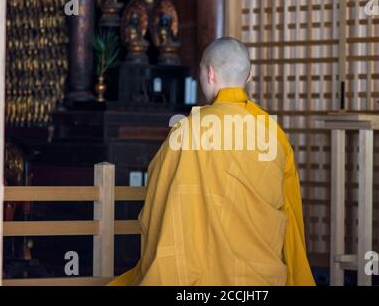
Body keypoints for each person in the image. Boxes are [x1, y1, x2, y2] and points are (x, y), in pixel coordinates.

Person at [109, 37, 315, 286]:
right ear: (249, 76)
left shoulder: (187, 130)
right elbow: (290, 213)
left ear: (209, 74)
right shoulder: (274, 134)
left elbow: (158, 194)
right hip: (260, 279)